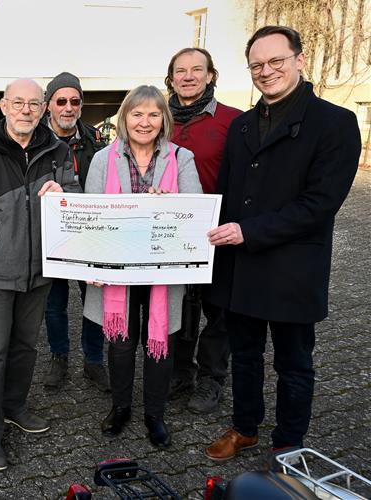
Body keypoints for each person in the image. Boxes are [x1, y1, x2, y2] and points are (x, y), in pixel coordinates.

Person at [205, 26, 360, 461]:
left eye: (276, 61)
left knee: (294, 363)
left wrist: (249, 231)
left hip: (292, 268)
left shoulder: (335, 122)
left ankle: (290, 443)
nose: (266, 71)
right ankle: (245, 428)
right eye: (257, 65)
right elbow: (226, 195)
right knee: (246, 356)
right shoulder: (240, 126)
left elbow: (320, 204)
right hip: (241, 267)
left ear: (299, 59)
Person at [0, 78, 79, 471]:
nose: (26, 110)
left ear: (43, 109)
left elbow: (76, 205)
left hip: (40, 272)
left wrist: (65, 194)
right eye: (18, 103)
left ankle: (13, 406)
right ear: (4, 106)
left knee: (26, 348)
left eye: (33, 104)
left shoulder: (57, 151)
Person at [83, 85, 202, 449]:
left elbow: (195, 210)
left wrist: (174, 203)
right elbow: (90, 215)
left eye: (153, 114)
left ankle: (154, 415)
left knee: (159, 343)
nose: (144, 122)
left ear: (164, 120)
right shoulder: (104, 159)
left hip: (162, 270)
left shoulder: (181, 158)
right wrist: (92, 261)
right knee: (120, 343)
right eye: (137, 114)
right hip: (118, 269)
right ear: (125, 118)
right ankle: (120, 407)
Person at [164, 48, 242, 413]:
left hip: (217, 234)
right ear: (171, 78)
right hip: (170, 236)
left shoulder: (234, 121)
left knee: (217, 310)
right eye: (181, 71)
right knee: (180, 306)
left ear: (211, 75)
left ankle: (212, 379)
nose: (189, 76)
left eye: (198, 69)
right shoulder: (157, 119)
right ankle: (181, 374)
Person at [41, 71, 109, 392]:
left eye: (75, 101)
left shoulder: (95, 141)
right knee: (54, 303)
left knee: (93, 299)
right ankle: (59, 357)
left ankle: (94, 360)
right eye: (61, 101)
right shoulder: (35, 141)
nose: (68, 107)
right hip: (51, 239)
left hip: (90, 237)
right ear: (48, 105)